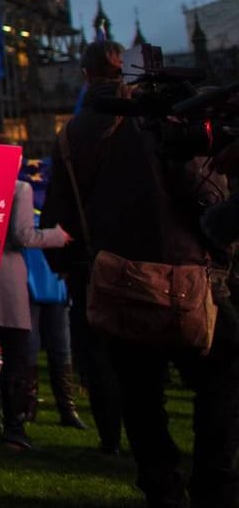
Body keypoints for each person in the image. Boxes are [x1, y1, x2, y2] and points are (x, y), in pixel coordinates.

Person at [46, 59, 239, 505]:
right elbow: (207, 201)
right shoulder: (168, 126)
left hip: (116, 278)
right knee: (222, 379)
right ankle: (215, 482)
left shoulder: (73, 136)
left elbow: (60, 215)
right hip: (188, 277)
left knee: (140, 392)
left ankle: (162, 485)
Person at [40, 39, 129, 453]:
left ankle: (111, 436)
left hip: (91, 260)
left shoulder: (71, 134)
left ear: (85, 75)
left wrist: (62, 258)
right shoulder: (147, 119)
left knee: (97, 351)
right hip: (147, 255)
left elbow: (57, 204)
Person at [0, 162, 72, 449]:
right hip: (7, 279)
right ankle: (14, 427)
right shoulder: (20, 188)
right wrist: (58, 236)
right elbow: (23, 235)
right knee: (15, 356)